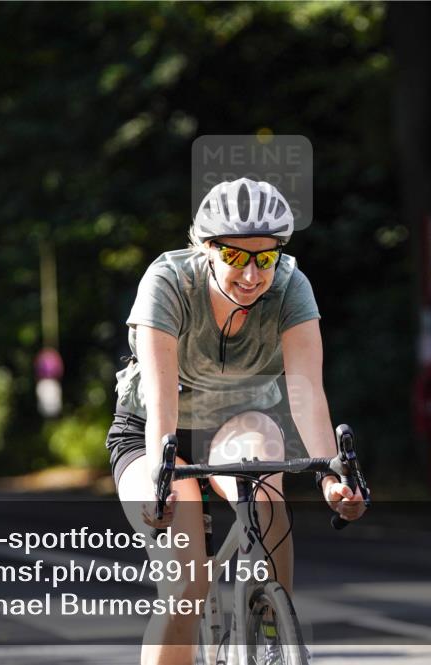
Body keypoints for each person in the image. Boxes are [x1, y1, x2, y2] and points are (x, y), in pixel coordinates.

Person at [107, 178, 366, 665]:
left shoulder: (291, 287)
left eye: (264, 258)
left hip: (236, 422)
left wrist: (332, 476)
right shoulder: (167, 283)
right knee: (188, 581)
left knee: (266, 485)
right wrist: (161, 486)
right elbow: (160, 399)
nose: (252, 273)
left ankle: (272, 636)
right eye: (236, 257)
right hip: (155, 432)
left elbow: (306, 392)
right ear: (206, 249)